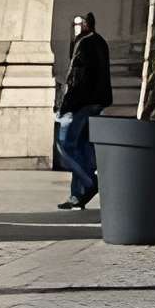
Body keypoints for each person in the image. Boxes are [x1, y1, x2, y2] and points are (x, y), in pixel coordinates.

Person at [54, 12, 112, 213]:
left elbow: (78, 78)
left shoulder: (84, 44)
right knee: (83, 146)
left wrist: (66, 106)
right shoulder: (100, 42)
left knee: (65, 145)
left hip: (82, 103)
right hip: (97, 101)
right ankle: (77, 196)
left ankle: (89, 182)